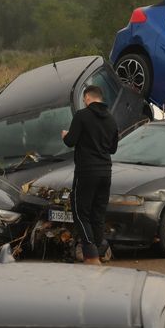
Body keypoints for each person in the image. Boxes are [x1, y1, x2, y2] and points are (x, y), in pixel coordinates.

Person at [60, 84, 118, 264]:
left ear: (87, 98)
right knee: (98, 214)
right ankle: (99, 251)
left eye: (84, 99)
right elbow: (113, 148)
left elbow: (70, 141)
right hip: (105, 172)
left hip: (86, 171)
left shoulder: (82, 116)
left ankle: (90, 253)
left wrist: (65, 135)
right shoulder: (111, 119)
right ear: (101, 98)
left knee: (80, 212)